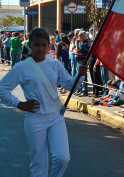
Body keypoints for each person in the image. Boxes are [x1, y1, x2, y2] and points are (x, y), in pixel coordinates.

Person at [0, 28, 87, 177]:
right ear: (29, 45)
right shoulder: (21, 67)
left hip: (55, 117)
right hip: (35, 118)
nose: (40, 48)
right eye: (36, 44)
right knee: (39, 162)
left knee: (62, 158)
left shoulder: (55, 65)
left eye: (43, 45)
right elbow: (2, 88)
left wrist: (80, 75)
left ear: (48, 46)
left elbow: (68, 84)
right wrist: (19, 103)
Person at [74, 30, 90, 97]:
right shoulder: (81, 43)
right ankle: (80, 89)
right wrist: (76, 50)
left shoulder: (86, 44)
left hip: (83, 61)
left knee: (83, 76)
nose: (79, 38)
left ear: (83, 36)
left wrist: (77, 46)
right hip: (78, 61)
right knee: (79, 76)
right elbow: (74, 51)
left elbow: (79, 51)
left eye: (80, 37)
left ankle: (84, 91)